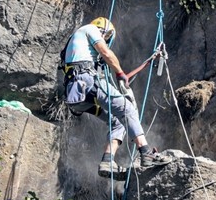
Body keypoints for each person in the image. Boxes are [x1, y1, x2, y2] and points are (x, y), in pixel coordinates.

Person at [60, 17, 170, 178]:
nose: (106, 40)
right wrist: (119, 73)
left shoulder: (75, 45)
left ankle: (107, 161)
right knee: (127, 108)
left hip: (76, 95)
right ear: (104, 31)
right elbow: (106, 52)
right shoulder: (90, 29)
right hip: (87, 81)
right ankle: (146, 152)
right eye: (107, 37)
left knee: (117, 122)